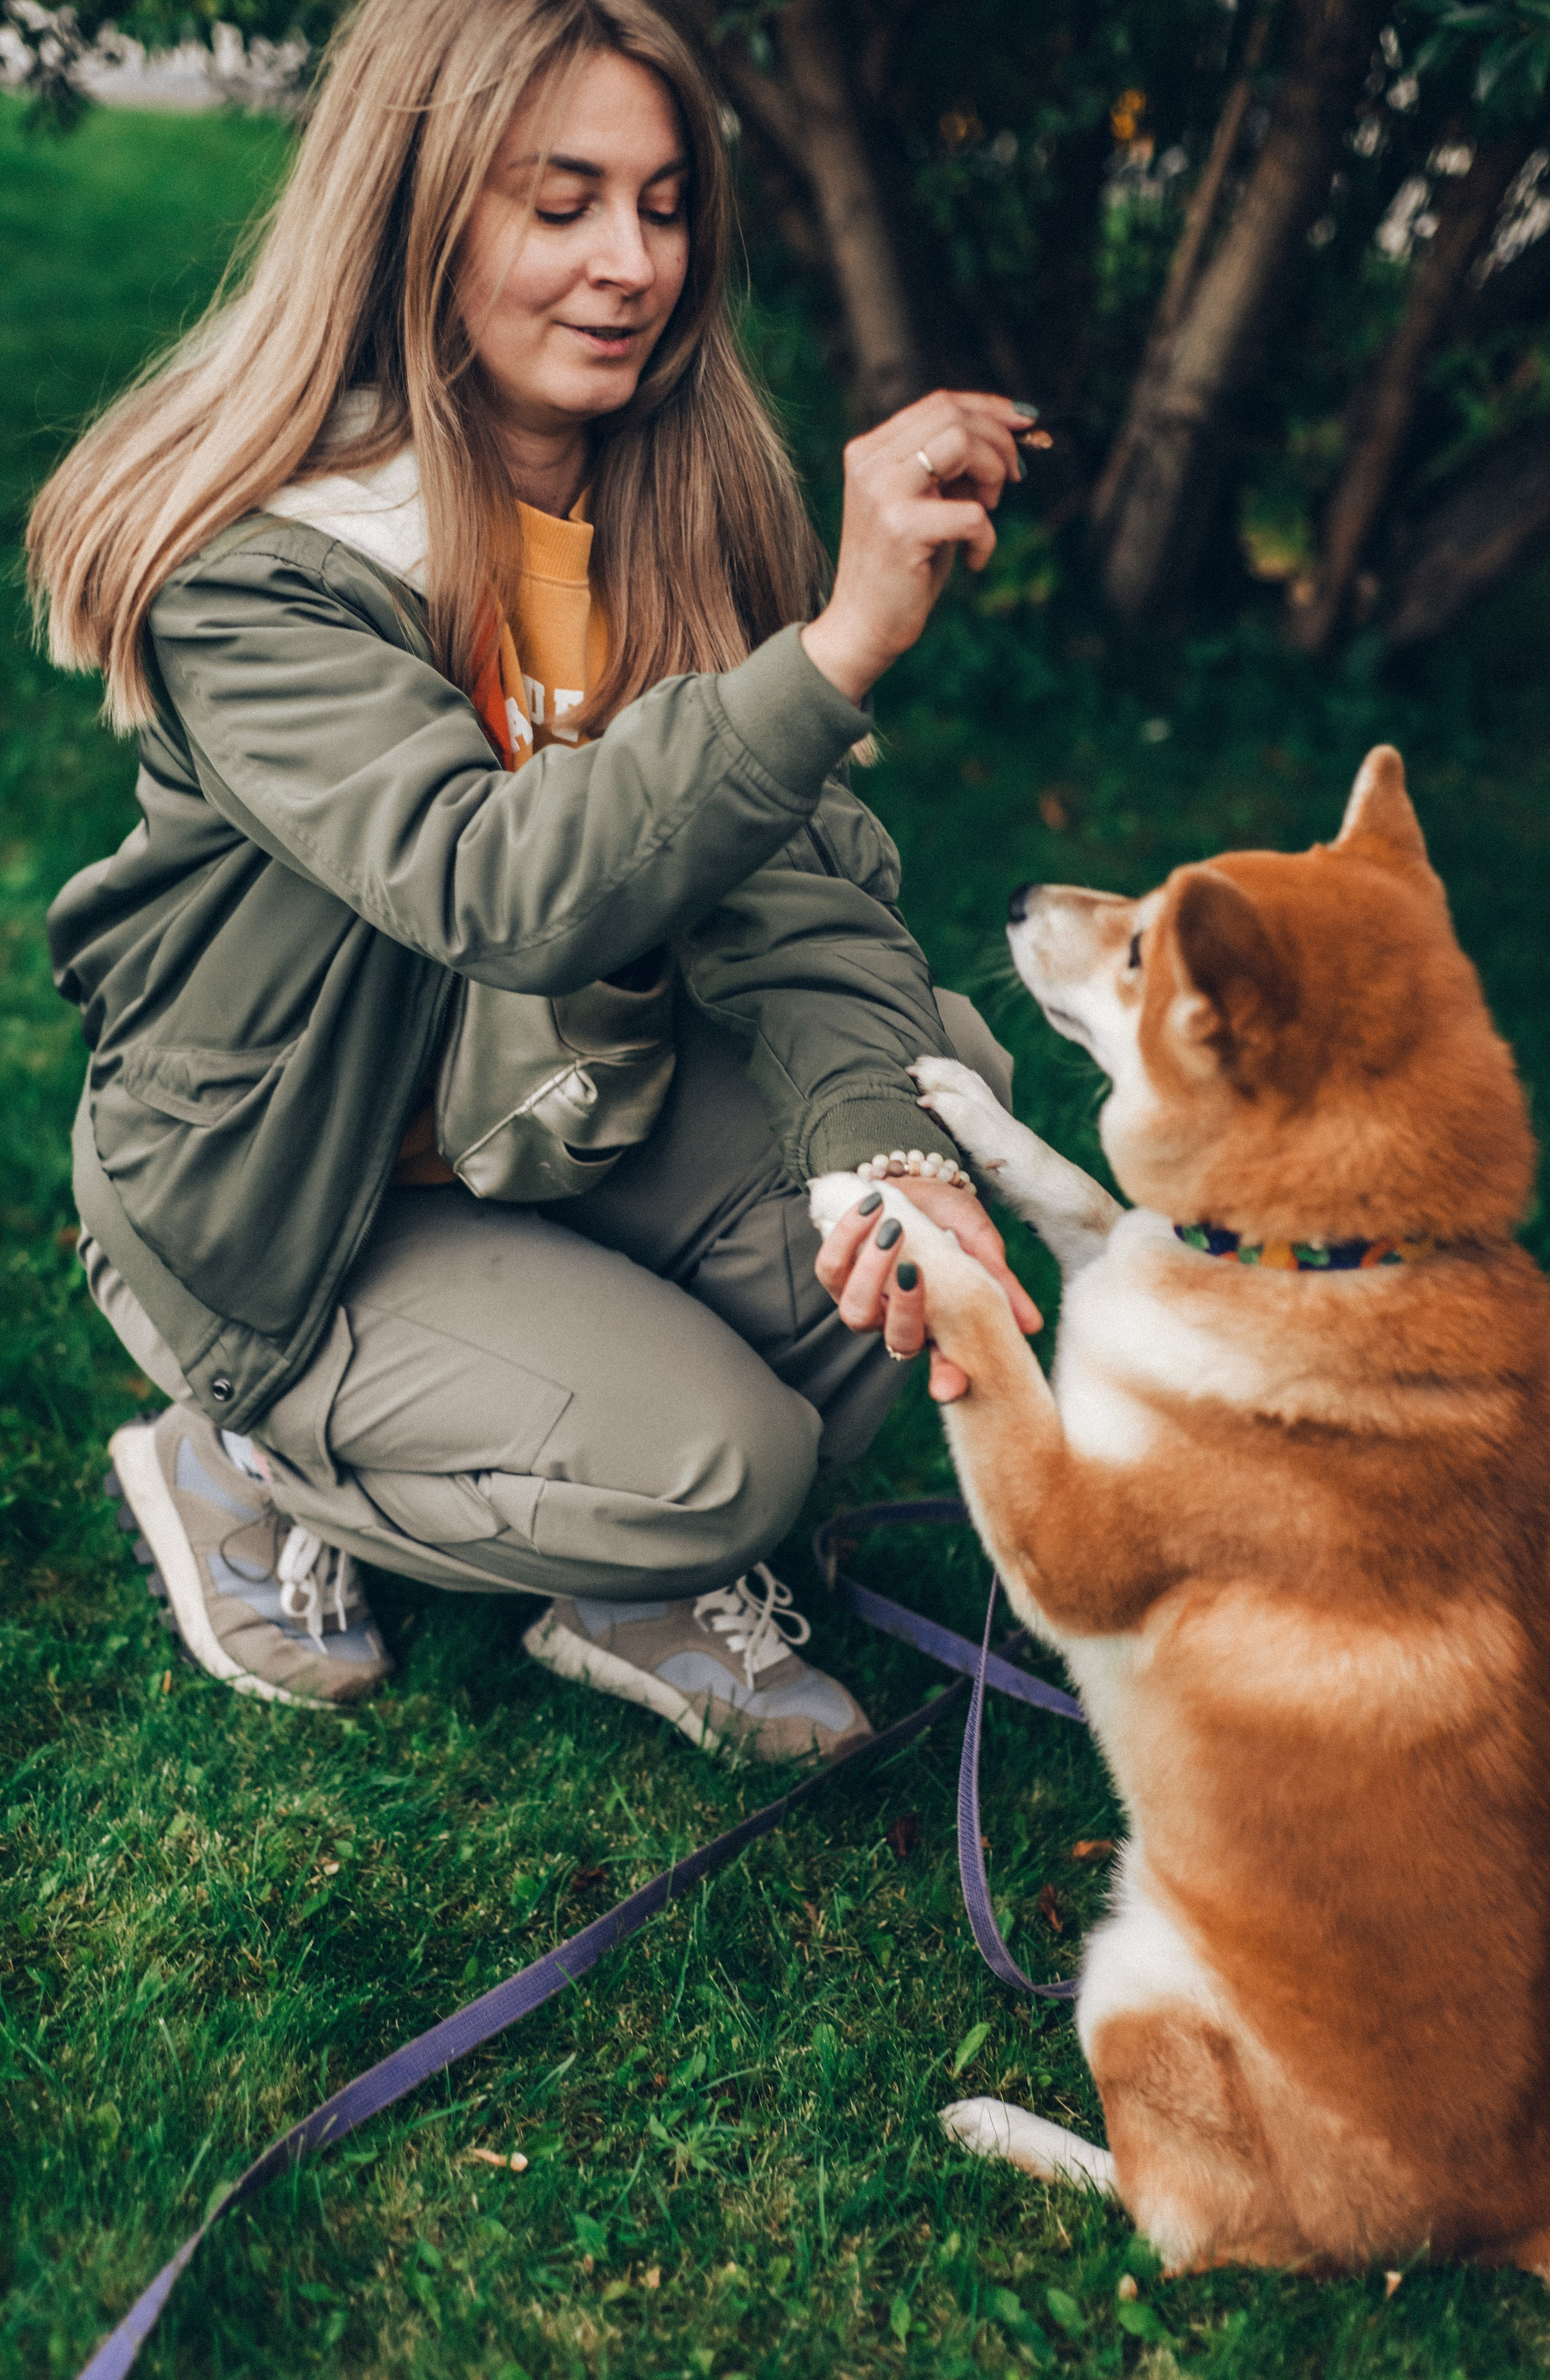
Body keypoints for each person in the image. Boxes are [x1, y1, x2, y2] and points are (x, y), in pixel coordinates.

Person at [29, 0, 1040, 1759]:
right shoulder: (265, 564)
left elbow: (798, 891)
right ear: (422, 211)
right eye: (558, 202)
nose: (628, 264)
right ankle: (241, 1460)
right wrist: (842, 646)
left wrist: (878, 1145)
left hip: (545, 1112)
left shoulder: (669, 494)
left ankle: (619, 1560)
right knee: (732, 1463)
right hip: (289, 1209)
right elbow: (501, 884)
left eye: (662, 207)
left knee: (937, 1113)